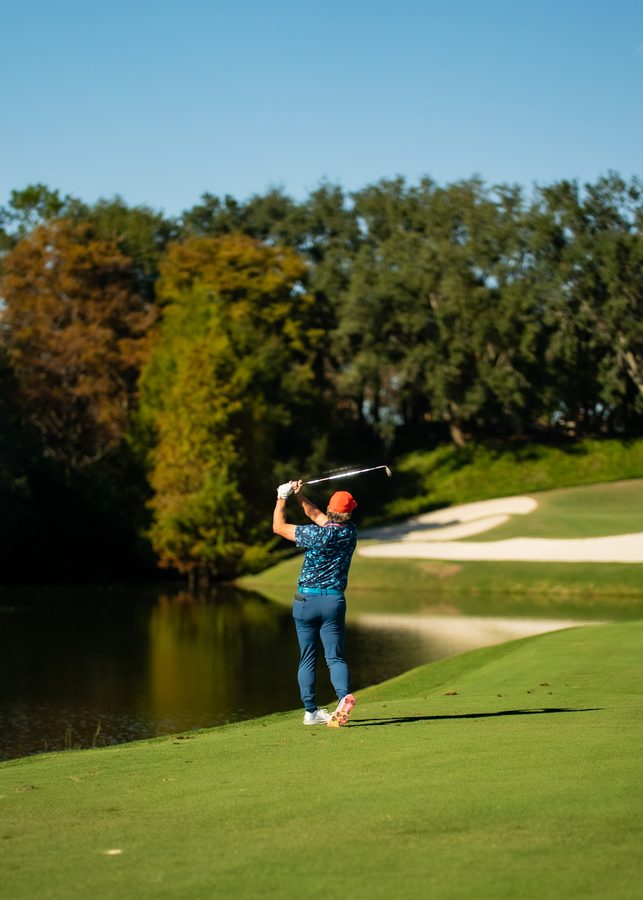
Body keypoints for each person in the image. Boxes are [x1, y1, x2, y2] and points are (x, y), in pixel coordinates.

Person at [273, 479, 358, 727]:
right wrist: (299, 495)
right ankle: (343, 697)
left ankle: (310, 712)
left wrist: (282, 497)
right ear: (349, 512)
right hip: (333, 600)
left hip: (305, 600)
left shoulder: (315, 534)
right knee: (335, 658)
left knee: (307, 657)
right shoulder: (349, 531)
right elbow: (317, 515)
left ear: (331, 509)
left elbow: (279, 527)